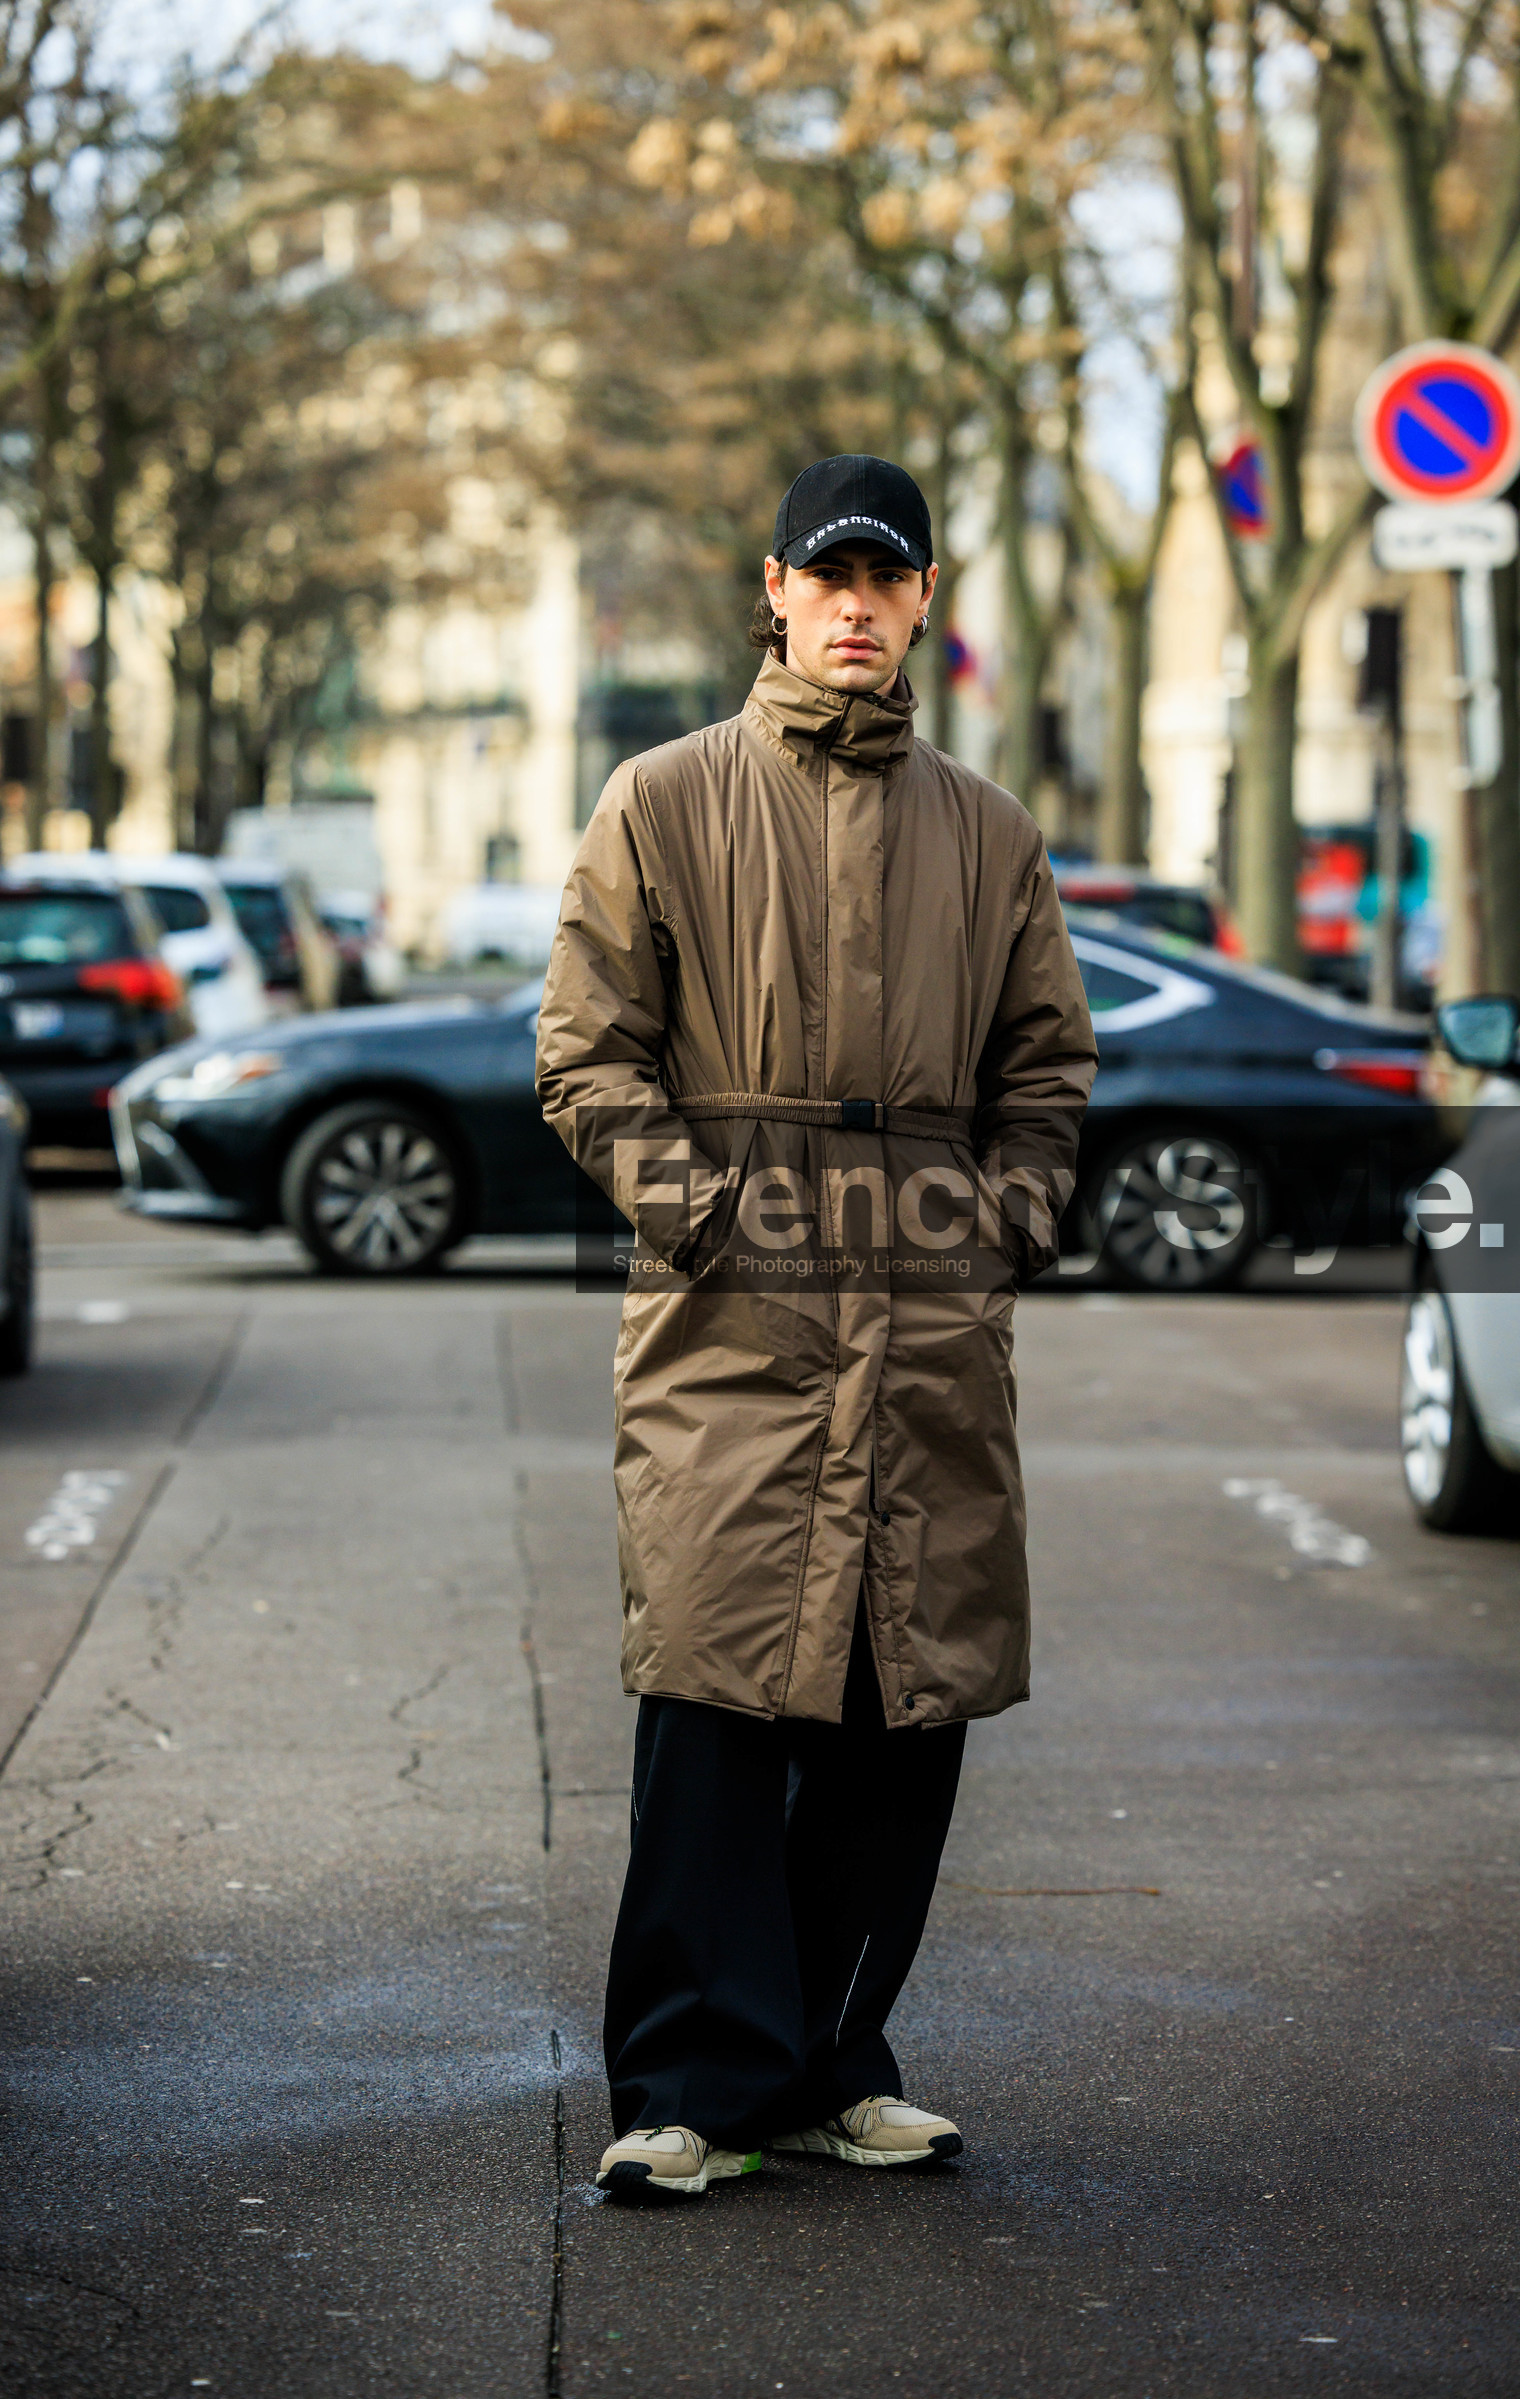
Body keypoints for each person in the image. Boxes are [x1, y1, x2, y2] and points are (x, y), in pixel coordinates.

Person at [536, 454, 1096, 2202]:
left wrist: (1000, 1225)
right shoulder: (664, 798)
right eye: (828, 575)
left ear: (927, 601)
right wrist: (709, 1220)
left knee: (893, 1704)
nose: (857, 604)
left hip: (925, 1322)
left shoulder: (989, 830)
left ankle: (839, 2065)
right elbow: (586, 1053)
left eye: (890, 578)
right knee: (713, 1693)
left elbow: (1046, 1070)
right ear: (770, 588)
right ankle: (690, 2086)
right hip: (732, 1328)